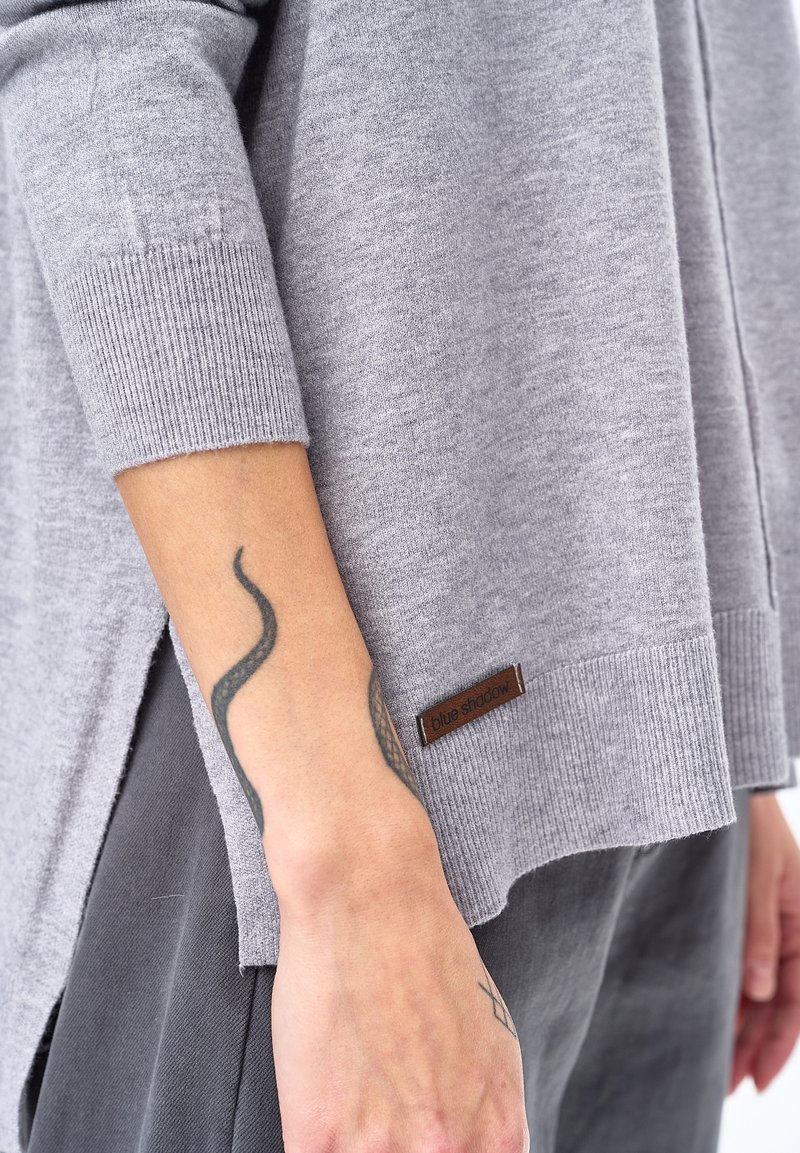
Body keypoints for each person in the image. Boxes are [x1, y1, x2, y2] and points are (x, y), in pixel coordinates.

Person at [1, 0, 800, 1151]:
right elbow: (105, 51)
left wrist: (738, 716)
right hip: (335, 779)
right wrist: (341, 858)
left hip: (670, 745)